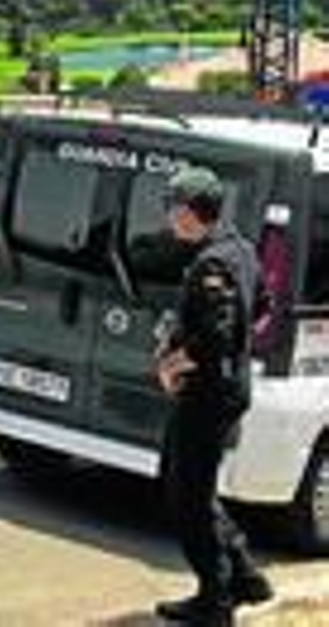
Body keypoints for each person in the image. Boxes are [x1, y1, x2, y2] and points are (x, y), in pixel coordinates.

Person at [153, 167, 272, 626]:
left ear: (190, 212)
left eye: (172, 208)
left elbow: (215, 337)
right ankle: (244, 577)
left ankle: (215, 600)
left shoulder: (213, 264)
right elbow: (262, 308)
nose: (169, 217)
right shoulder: (241, 249)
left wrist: (173, 365)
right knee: (188, 484)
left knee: (188, 498)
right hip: (226, 387)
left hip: (209, 394)